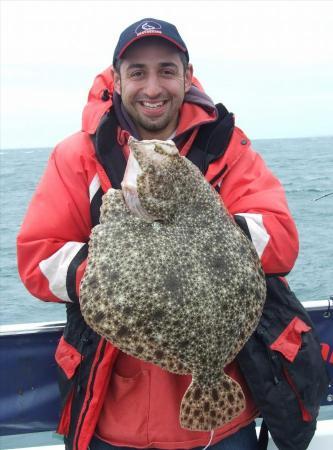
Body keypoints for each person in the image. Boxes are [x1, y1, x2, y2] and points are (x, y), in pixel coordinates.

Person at [17, 18, 299, 450]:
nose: (153, 87)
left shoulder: (228, 147)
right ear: (116, 79)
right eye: (137, 72)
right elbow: (38, 259)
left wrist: (206, 232)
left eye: (167, 70)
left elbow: (281, 239)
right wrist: (120, 270)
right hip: (112, 418)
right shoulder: (75, 155)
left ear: (187, 76)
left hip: (225, 428)